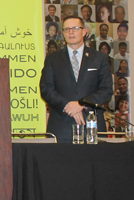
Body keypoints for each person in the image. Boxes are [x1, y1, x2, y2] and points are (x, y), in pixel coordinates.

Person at [40, 15, 112, 143]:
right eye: (67, 29)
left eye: (75, 28)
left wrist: (81, 104)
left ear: (84, 32)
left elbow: (106, 90)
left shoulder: (99, 58)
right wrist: (67, 106)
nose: (71, 32)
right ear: (63, 33)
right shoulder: (52, 58)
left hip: (92, 126)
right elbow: (46, 89)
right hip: (61, 128)